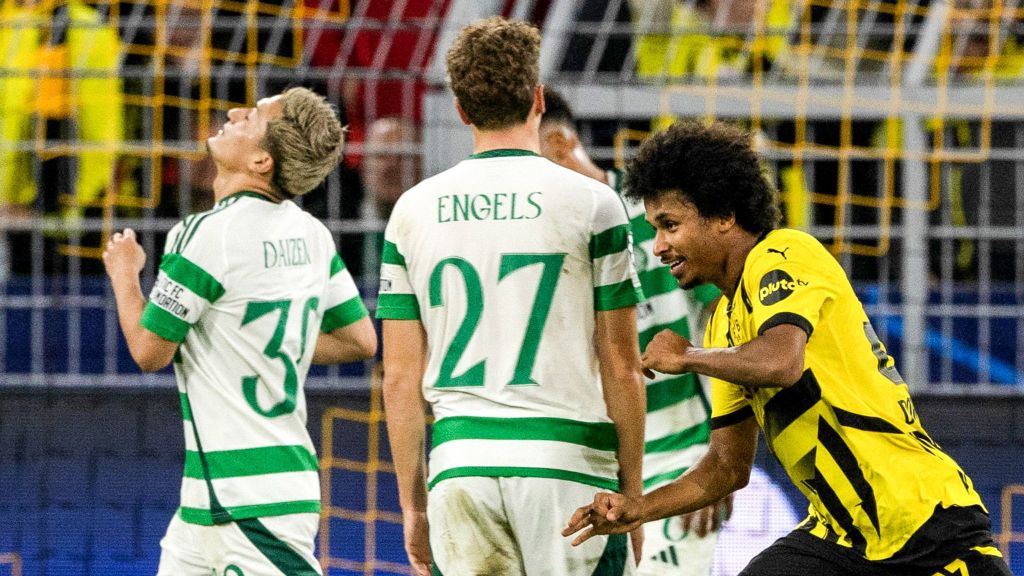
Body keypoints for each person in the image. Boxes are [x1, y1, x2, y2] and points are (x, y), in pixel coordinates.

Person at [563, 121, 1012, 576]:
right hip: (840, 536)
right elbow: (726, 466)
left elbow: (781, 362)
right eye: (655, 229)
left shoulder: (786, 254)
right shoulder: (723, 326)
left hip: (923, 521)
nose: (659, 246)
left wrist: (688, 357)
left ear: (724, 216)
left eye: (670, 226)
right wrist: (639, 508)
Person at [378, 17, 646, 576]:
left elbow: (400, 379)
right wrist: (635, 496)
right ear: (538, 99)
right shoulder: (594, 204)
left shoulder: (412, 211)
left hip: (461, 465)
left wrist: (414, 507)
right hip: (568, 467)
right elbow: (621, 365)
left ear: (461, 110)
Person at [103, 87, 377, 575]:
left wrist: (125, 274)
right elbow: (360, 340)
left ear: (261, 161)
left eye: (252, 116)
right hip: (215, 500)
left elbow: (149, 351)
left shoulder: (204, 233)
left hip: (248, 501)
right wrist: (249, 338)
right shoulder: (312, 234)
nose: (233, 112)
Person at [540, 90, 728, 576]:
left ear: (560, 145)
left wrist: (719, 459)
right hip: (593, 466)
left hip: (680, 461)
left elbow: (728, 321)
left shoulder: (658, 213)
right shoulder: (546, 237)